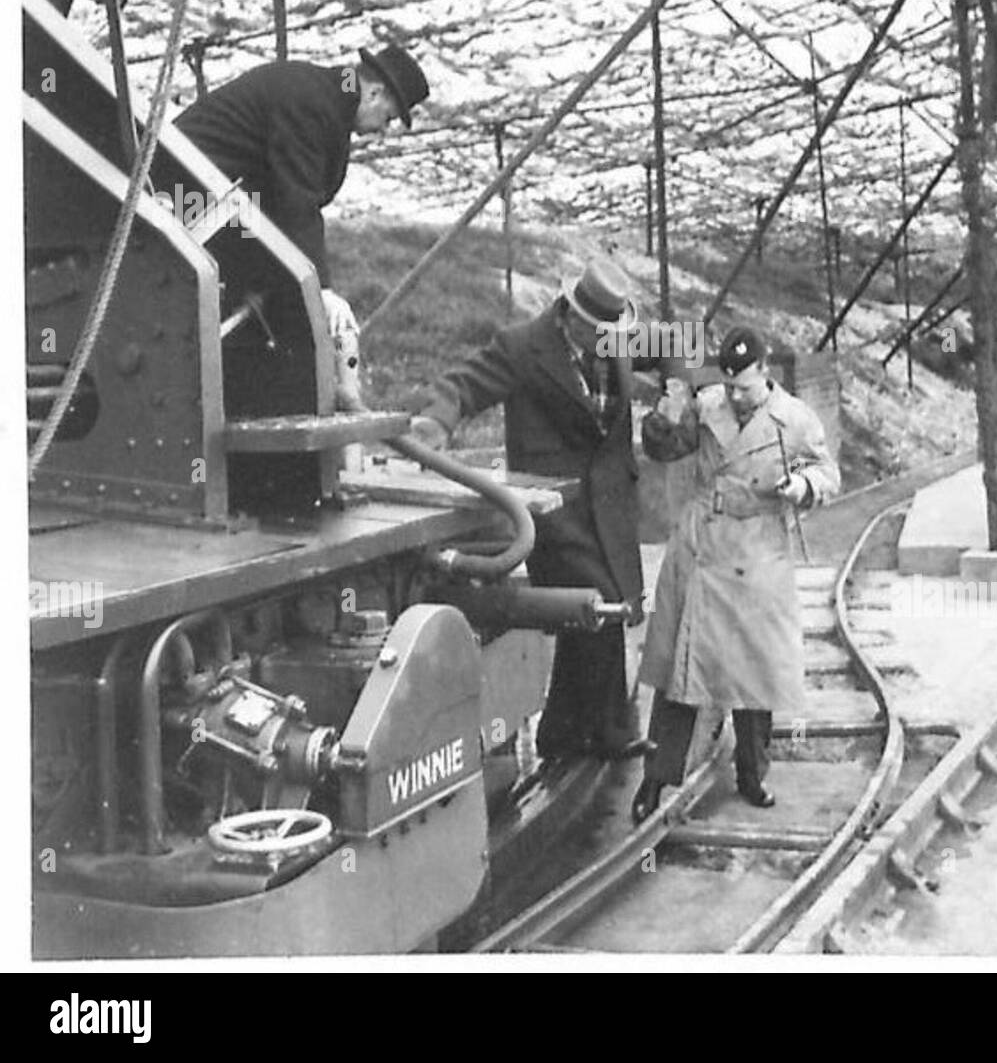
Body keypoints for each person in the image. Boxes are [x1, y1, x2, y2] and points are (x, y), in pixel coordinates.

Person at [412, 256, 652, 762]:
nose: (604, 341)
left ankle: (574, 731)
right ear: (571, 314)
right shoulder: (524, 347)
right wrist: (435, 424)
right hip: (552, 508)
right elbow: (462, 385)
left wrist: (692, 385)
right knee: (598, 603)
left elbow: (685, 347)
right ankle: (593, 731)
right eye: (596, 332)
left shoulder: (619, 337)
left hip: (609, 504)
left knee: (597, 612)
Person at [631, 325, 840, 822]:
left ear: (765, 373)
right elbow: (669, 449)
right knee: (681, 670)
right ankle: (655, 779)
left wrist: (802, 486)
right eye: (729, 387)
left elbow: (828, 473)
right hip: (704, 540)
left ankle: (752, 774)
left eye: (745, 387)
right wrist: (662, 421)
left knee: (755, 671)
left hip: (759, 546)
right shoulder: (708, 406)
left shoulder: (795, 420)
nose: (736, 397)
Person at [174, 42, 430, 345]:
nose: (383, 130)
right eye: (388, 118)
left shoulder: (332, 93)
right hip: (180, 190)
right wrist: (321, 289)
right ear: (374, 93)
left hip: (212, 194)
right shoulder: (315, 104)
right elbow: (298, 199)